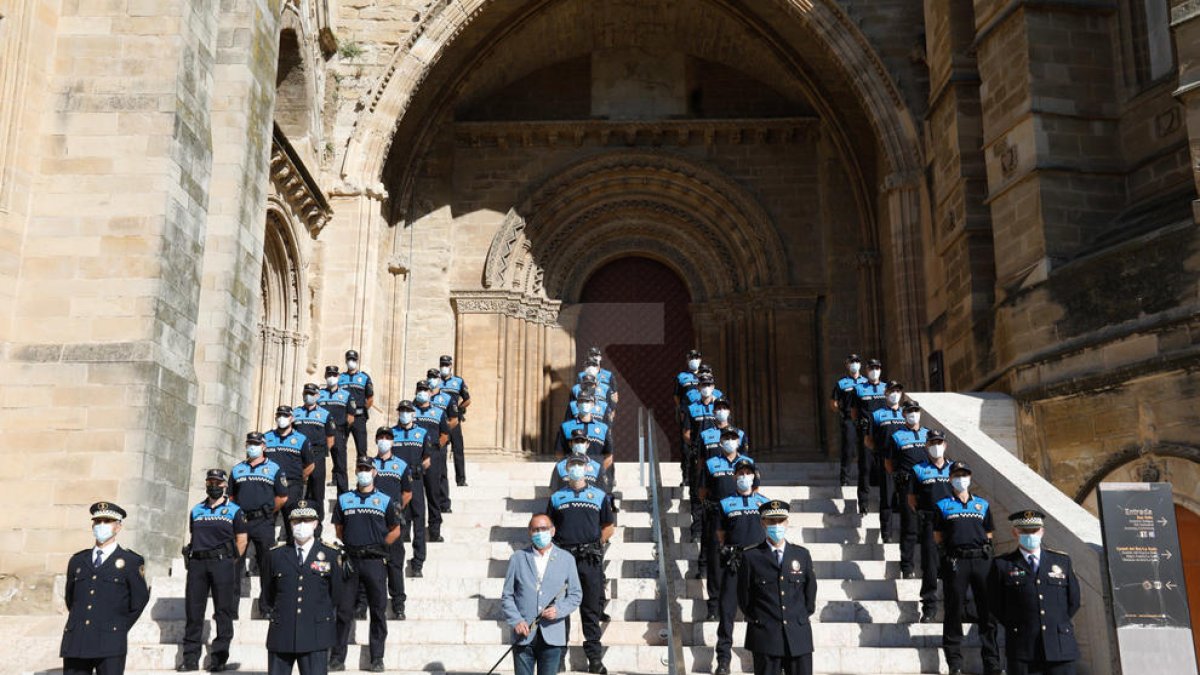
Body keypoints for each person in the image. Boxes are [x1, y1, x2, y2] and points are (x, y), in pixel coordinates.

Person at [330, 458, 405, 672]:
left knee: (378, 611)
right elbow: (339, 529)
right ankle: (337, 657)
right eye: (360, 469)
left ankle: (377, 658)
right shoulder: (345, 499)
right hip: (351, 561)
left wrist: (380, 545)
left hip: (374, 561)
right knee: (344, 611)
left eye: (367, 469)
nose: (363, 472)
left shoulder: (384, 500)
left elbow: (395, 529)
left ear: (374, 472)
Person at [61, 502, 150, 675]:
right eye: (98, 521)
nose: (102, 525)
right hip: (77, 640)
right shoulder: (78, 561)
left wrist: (117, 626)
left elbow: (139, 600)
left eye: (107, 521)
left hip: (110, 642)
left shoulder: (131, 561)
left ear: (118, 527)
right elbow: (71, 598)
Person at [546, 455, 616, 674]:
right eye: (572, 465)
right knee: (560, 610)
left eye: (579, 465)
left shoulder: (599, 495)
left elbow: (608, 526)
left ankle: (594, 658)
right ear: (567, 470)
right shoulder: (557, 497)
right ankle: (558, 657)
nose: (576, 468)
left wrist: (595, 545)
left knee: (590, 608)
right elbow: (549, 528)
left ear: (587, 468)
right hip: (564, 559)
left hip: (589, 559)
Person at [988, 510, 1081, 675]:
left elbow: (1073, 600)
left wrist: (1056, 622)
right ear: (1015, 532)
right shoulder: (1002, 564)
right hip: (1023, 647)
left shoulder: (1061, 561)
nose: (1030, 535)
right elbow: (995, 604)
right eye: (1025, 531)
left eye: (1034, 530)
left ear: (1042, 531)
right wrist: (1020, 624)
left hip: (1060, 646)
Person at [934, 463, 1002, 675]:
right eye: (956, 475)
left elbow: (989, 532)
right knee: (953, 610)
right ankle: (954, 661)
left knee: (987, 611)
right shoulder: (943, 505)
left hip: (981, 560)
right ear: (950, 478)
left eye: (964, 475)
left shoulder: (982, 504)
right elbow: (938, 536)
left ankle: (992, 662)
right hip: (957, 560)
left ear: (970, 478)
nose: (960, 479)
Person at [737, 500, 817, 675]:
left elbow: (810, 594)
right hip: (765, 635)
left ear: (787, 522)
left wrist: (800, 617)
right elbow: (744, 597)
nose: (776, 525)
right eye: (771, 522)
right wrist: (760, 619)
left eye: (780, 521)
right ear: (763, 523)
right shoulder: (751, 557)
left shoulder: (801, 555)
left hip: (798, 635)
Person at [180, 470, 248, 672]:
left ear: (225, 485)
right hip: (198, 564)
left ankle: (219, 658)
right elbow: (194, 536)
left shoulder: (234, 510)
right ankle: (190, 658)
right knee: (193, 612)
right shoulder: (197, 510)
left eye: (218, 482)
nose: (214, 485)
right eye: (210, 482)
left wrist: (229, 560)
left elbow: (242, 540)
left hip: (222, 563)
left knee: (223, 611)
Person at [263, 501, 341, 675]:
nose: (301, 525)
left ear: (315, 523)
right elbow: (268, 593)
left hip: (316, 633)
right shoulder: (275, 555)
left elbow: (336, 594)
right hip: (282, 632)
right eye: (297, 521)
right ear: (290, 524)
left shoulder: (330, 554)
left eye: (306, 520)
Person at [500, 514, 584, 675]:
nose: (540, 533)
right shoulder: (518, 558)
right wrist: (516, 620)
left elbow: (575, 594)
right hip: (523, 634)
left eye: (544, 529)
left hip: (552, 634)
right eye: (535, 530)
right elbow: (507, 595)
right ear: (529, 532)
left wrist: (559, 610)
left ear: (553, 531)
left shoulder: (566, 559)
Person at [713, 461, 769, 675]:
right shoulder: (725, 503)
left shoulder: (764, 503)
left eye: (748, 473)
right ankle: (723, 660)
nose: (744, 476)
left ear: (755, 476)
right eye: (740, 473)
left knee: (761, 613)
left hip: (758, 563)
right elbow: (721, 534)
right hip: (735, 562)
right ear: (735, 476)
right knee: (727, 612)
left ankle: (763, 658)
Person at [229, 431, 288, 617]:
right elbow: (231, 496)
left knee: (267, 565)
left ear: (264, 446)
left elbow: (282, 496)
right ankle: (231, 610)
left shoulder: (274, 468)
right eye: (249, 443)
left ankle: (266, 607)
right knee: (235, 565)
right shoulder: (237, 469)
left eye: (256, 443)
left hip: (263, 521)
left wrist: (268, 511)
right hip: (241, 522)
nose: (252, 446)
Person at [699, 429, 758, 609]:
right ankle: (714, 605)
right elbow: (702, 491)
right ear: (720, 441)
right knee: (716, 561)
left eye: (733, 438)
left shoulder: (748, 464)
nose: (730, 441)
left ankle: (750, 604)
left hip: (741, 515)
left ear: (739, 441)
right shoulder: (711, 463)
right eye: (726, 438)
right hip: (718, 514)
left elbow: (755, 490)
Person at [908, 429, 955, 622]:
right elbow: (911, 499)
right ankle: (929, 607)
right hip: (930, 520)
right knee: (929, 565)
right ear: (926, 446)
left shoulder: (955, 469)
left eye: (939, 442)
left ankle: (959, 607)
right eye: (932, 443)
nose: (936, 446)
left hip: (953, 521)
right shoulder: (918, 469)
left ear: (945, 445)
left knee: (955, 565)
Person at [372, 426, 415, 618]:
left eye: (387, 437)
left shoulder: (401, 465)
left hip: (392, 523)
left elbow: (407, 492)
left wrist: (396, 509)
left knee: (395, 563)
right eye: (380, 437)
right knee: (369, 564)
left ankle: (398, 604)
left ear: (392, 441)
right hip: (372, 521)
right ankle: (364, 602)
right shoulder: (368, 465)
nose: (384, 440)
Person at [886, 400, 929, 578]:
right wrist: (899, 478)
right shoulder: (897, 436)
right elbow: (888, 463)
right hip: (907, 486)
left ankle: (932, 567)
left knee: (929, 527)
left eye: (915, 410)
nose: (912, 413)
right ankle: (907, 566)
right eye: (909, 410)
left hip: (928, 486)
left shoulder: (929, 435)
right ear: (903, 414)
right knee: (910, 527)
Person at [392, 400, 435, 576]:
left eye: (407, 410)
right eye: (401, 410)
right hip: (397, 484)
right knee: (398, 522)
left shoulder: (422, 433)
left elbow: (427, 459)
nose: (404, 413)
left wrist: (420, 468)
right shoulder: (391, 434)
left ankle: (418, 563)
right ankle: (395, 561)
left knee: (418, 522)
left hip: (415, 482)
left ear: (413, 413)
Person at [264, 405, 315, 541]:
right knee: (266, 523)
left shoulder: (301, 439)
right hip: (270, 487)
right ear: (275, 417)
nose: (282, 418)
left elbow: (310, 464)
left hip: (292, 486)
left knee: (292, 522)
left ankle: (292, 554)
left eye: (285, 416)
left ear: (291, 418)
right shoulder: (266, 438)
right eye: (279, 415)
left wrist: (299, 478)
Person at [413, 379, 453, 533]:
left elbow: (444, 434)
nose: (422, 392)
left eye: (425, 389)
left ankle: (435, 530)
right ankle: (410, 532)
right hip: (415, 457)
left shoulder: (438, 412)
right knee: (414, 497)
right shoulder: (410, 411)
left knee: (433, 493)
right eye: (420, 389)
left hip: (432, 457)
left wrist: (434, 449)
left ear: (430, 393)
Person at [868, 381, 907, 529]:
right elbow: (869, 439)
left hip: (904, 461)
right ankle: (886, 531)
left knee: (905, 497)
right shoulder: (877, 415)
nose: (895, 394)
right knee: (887, 497)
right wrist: (878, 454)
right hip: (885, 460)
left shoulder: (906, 414)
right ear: (885, 393)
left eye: (898, 391)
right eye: (892, 391)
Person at [422, 370, 459, 513]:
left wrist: (442, 433)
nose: (431, 380)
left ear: (439, 379)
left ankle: (444, 503)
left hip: (439, 442)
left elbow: (454, 419)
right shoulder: (420, 400)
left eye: (434, 377)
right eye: (429, 377)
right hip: (421, 444)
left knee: (441, 473)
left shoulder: (447, 398)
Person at [293, 383, 336, 505]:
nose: (308, 396)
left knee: (317, 488)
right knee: (297, 486)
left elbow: (330, 438)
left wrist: (321, 454)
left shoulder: (325, 414)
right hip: (299, 454)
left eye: (311, 394)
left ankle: (318, 520)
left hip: (317, 453)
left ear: (317, 396)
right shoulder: (295, 413)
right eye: (306, 393)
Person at [831, 354, 867, 490]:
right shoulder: (842, 383)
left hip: (863, 419)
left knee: (866, 449)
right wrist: (841, 412)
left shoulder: (866, 381)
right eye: (852, 361)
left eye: (857, 361)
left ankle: (867, 477)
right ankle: (845, 478)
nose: (854, 363)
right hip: (849, 420)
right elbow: (833, 401)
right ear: (847, 365)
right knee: (848, 448)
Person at [319, 366, 355, 495]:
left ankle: (343, 495)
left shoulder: (346, 395)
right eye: (329, 375)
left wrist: (343, 431)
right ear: (325, 376)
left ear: (338, 377)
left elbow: (350, 417)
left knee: (340, 465)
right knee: (317, 464)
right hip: (321, 435)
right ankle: (313, 494)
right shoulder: (319, 394)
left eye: (334, 375)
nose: (331, 377)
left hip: (338, 433)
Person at [436, 354, 471, 487]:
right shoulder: (435, 382)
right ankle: (439, 478)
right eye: (442, 365)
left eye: (446, 365)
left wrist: (459, 409)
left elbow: (467, 399)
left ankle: (461, 479)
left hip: (453, 420)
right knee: (440, 450)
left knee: (458, 449)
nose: (444, 367)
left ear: (451, 366)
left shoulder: (458, 381)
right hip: (439, 421)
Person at [339, 349, 375, 459]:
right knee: (340, 449)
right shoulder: (340, 378)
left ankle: (362, 473)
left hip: (359, 417)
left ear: (357, 360)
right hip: (343, 418)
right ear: (346, 361)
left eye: (353, 359)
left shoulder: (364, 377)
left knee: (362, 449)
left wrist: (362, 410)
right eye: (349, 359)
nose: (351, 361)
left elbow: (370, 398)